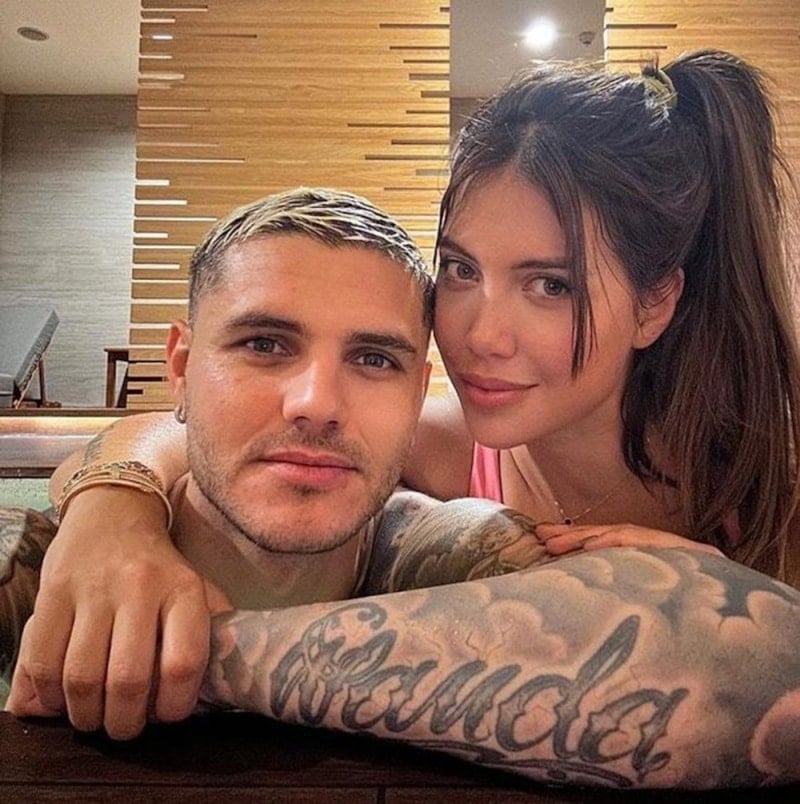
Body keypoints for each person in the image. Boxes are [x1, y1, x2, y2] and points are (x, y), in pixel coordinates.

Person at [11, 50, 800, 758]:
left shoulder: (773, 471)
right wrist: (112, 516)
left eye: (549, 285)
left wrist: (732, 611)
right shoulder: (444, 448)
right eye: (461, 270)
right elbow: (193, 430)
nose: (480, 335)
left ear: (655, 304)